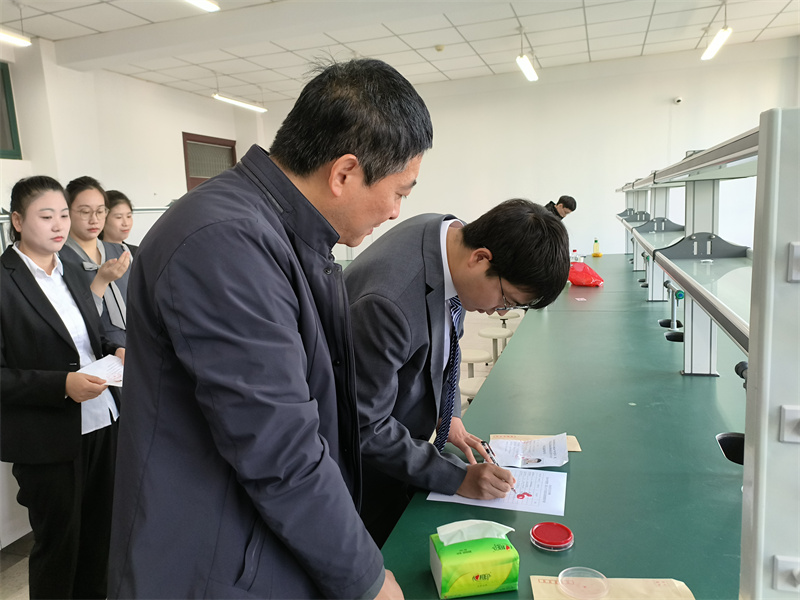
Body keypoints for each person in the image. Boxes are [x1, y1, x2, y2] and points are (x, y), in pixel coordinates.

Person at [108, 58, 432, 600]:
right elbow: (281, 449)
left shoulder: (282, 235)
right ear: (344, 173)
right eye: (400, 192)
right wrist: (367, 580)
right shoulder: (225, 240)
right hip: (211, 565)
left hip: (254, 545)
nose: (397, 212)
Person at [344, 200, 569, 545]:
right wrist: (456, 477)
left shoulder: (449, 241)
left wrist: (447, 414)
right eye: (506, 299)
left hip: (393, 429)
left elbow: (448, 339)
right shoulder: (388, 304)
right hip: (359, 471)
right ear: (481, 258)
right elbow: (365, 426)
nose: (499, 312)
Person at [1, 176, 124, 599]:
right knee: (59, 547)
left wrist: (114, 349)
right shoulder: (5, 281)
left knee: (100, 538)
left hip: (102, 420)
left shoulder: (70, 270)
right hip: (48, 438)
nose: (59, 225)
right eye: (46, 216)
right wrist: (62, 386)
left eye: (62, 215)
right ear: (18, 221)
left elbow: (90, 335)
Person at [59, 177, 131, 347]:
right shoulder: (58, 259)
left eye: (100, 211)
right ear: (67, 212)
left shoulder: (121, 251)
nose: (94, 219)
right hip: (95, 348)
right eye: (85, 212)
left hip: (135, 344)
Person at [100, 190, 138, 256]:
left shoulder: (137, 252)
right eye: (118, 217)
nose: (126, 223)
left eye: (129, 216)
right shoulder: (93, 254)